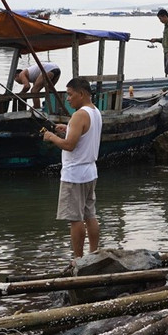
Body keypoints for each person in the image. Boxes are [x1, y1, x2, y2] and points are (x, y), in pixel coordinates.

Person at [40, 76, 102, 258]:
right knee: (90, 215)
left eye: (70, 94)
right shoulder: (95, 112)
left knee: (75, 219)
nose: (67, 99)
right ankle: (94, 254)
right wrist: (68, 129)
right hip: (90, 172)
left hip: (75, 175)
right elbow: (84, 135)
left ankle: (78, 259)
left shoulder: (79, 115)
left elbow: (69, 145)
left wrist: (51, 137)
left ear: (81, 94)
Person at [149, 9, 168, 76]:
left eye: (160, 18)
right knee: (166, 68)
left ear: (165, 16)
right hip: (165, 50)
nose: (160, 21)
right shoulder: (166, 26)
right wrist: (156, 40)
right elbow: (165, 39)